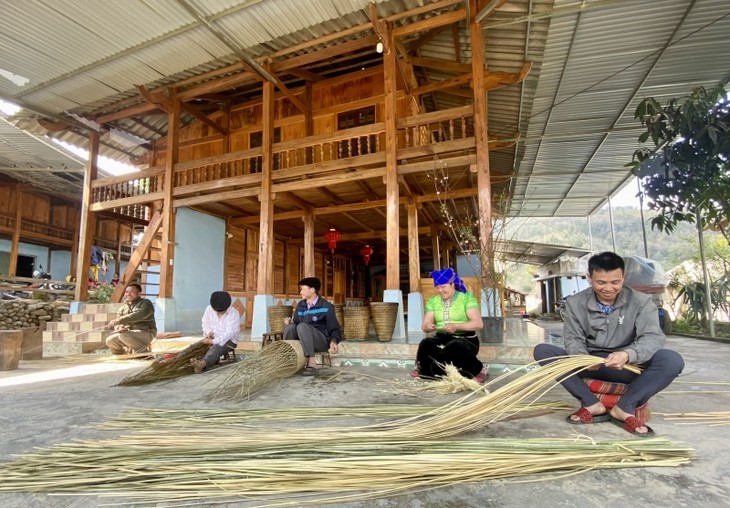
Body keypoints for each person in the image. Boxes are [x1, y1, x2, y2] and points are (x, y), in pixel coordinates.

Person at [533, 251, 685, 437]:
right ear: (589, 278)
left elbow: (652, 337)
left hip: (629, 366)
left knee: (671, 360)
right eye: (601, 282)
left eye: (615, 282)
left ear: (624, 277)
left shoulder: (641, 302)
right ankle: (591, 403)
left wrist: (629, 354)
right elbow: (573, 338)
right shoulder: (575, 303)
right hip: (591, 365)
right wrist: (584, 358)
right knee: (543, 351)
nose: (609, 288)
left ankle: (624, 407)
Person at [412, 267, 488, 382]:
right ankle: (424, 369)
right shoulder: (433, 301)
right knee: (426, 343)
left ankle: (479, 368)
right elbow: (425, 325)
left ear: (452, 284)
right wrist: (427, 327)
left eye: (443, 287)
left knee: (454, 346)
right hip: (442, 338)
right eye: (437, 287)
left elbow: (478, 323)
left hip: (466, 339)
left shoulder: (466, 299)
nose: (440, 290)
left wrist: (457, 326)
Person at [283, 277, 342, 376]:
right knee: (290, 327)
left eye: (303, 289)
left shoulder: (326, 306)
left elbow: (335, 328)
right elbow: (296, 323)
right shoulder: (301, 305)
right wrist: (290, 321)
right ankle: (289, 361)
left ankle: (312, 363)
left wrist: (333, 341)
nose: (301, 292)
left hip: (320, 341)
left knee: (302, 326)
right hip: (304, 339)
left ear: (312, 290)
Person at [190, 291, 241, 374]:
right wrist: (208, 332)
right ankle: (178, 360)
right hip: (212, 338)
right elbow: (205, 323)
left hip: (229, 341)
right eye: (216, 310)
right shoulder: (209, 309)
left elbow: (229, 333)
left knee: (216, 348)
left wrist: (213, 341)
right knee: (195, 347)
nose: (218, 312)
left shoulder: (234, 313)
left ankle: (202, 365)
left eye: (221, 311)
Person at [106, 283, 157, 356]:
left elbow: (141, 314)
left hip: (146, 333)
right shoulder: (122, 308)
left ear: (139, 293)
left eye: (131, 292)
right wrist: (119, 327)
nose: (128, 294)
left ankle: (145, 354)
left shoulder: (145, 302)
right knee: (110, 340)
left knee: (124, 335)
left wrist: (119, 320)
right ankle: (122, 357)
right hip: (128, 335)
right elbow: (119, 324)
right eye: (126, 292)